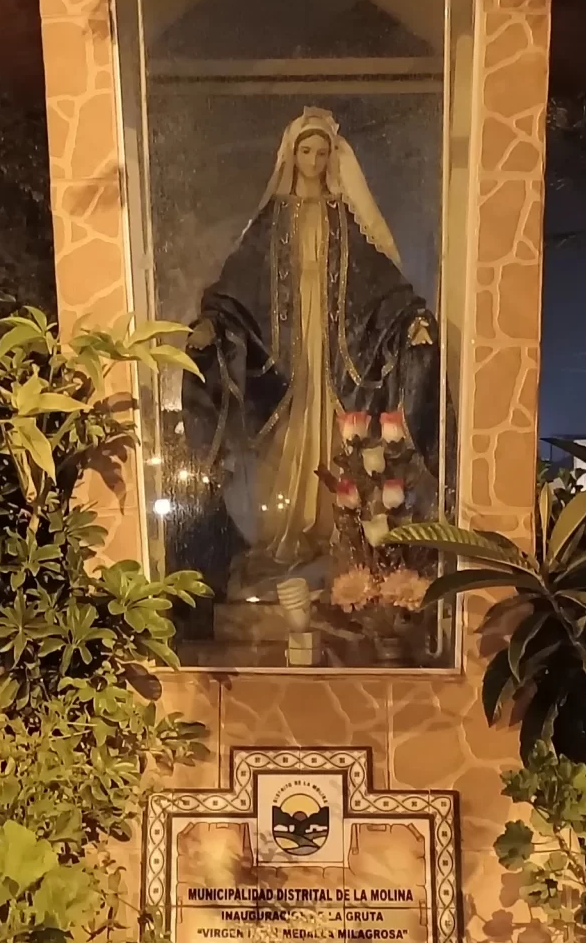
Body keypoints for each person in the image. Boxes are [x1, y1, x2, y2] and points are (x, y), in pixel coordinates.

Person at [182, 107, 435, 595]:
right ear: (292, 155)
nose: (314, 161)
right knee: (287, 439)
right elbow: (240, 278)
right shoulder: (274, 218)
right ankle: (286, 538)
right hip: (286, 353)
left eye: (322, 152)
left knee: (335, 436)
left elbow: (378, 278)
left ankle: (337, 542)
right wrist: (213, 319)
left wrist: (412, 316)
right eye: (306, 151)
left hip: (334, 350)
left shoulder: (343, 217)